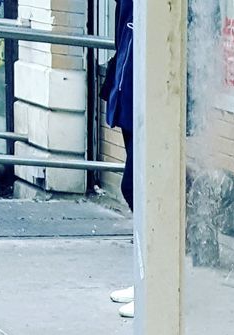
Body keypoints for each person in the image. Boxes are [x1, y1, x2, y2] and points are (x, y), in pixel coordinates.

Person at [101, 0, 135, 316]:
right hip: (128, 92)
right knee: (136, 189)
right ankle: (147, 277)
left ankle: (160, 282)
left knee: (136, 187)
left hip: (150, 97)